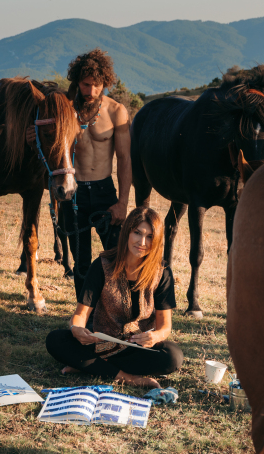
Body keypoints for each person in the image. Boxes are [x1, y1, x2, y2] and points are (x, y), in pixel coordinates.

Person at [46, 207, 183, 388]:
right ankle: (129, 378)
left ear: (156, 240)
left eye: (150, 236)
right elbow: (81, 314)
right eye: (137, 233)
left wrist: (156, 336)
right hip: (101, 342)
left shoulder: (162, 272)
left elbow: (164, 326)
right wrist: (76, 329)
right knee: (56, 340)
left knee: (173, 357)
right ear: (127, 232)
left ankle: (90, 365)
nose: (142, 242)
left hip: (137, 348)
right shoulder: (102, 265)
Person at [61, 49, 132, 297]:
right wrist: (31, 138)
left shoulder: (116, 111)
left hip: (104, 192)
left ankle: (116, 312)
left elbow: (124, 159)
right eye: (85, 85)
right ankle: (85, 316)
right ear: (77, 82)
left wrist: (123, 203)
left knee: (115, 260)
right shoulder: (66, 111)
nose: (90, 91)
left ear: (105, 83)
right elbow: (49, 148)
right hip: (74, 194)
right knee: (80, 264)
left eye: (96, 85)